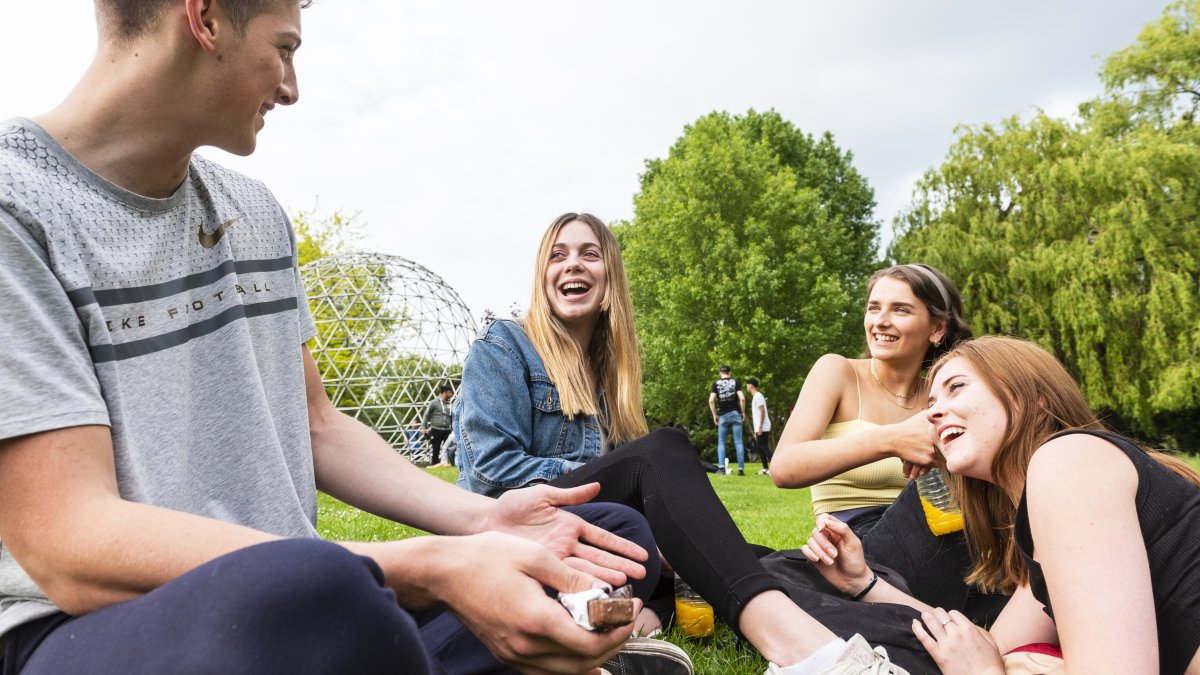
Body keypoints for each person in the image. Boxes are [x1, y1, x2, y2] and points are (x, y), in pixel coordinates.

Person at [0, 4, 665, 674]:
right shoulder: (17, 207)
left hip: (300, 593)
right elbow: (70, 546)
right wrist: (431, 566)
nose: (291, 86)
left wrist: (481, 523)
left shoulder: (254, 213)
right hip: (88, 627)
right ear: (203, 19)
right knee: (325, 597)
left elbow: (316, 422)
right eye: (283, 48)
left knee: (604, 541)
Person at [457, 212, 927, 675]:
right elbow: (488, 470)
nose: (573, 264)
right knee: (660, 452)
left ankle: (903, 639)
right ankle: (800, 651)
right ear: (543, 274)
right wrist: (629, 489)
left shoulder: (609, 375)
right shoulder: (504, 344)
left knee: (746, 558)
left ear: (610, 277)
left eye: (590, 254)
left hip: (594, 536)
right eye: (557, 255)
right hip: (512, 530)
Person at [799, 336, 1200, 675]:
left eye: (956, 388)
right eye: (931, 399)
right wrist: (864, 583)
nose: (933, 412)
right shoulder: (1049, 514)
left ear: (1035, 398)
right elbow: (981, 645)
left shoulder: (1069, 460)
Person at [768, 264, 1006, 622]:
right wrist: (891, 439)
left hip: (947, 539)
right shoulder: (838, 372)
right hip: (856, 546)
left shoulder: (944, 395)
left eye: (900, 309)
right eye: (873, 307)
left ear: (938, 328)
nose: (880, 321)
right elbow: (784, 468)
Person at [709, 365, 747, 475]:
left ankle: (721, 468)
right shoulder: (736, 382)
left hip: (723, 416)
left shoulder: (716, 384)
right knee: (739, 442)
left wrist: (714, 414)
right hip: (735, 414)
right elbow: (742, 398)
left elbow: (711, 400)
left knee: (721, 442)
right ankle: (740, 470)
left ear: (720, 373)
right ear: (729, 373)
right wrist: (743, 412)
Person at [423, 385, 455, 467]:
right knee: (436, 449)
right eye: (450, 392)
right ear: (445, 392)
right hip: (436, 429)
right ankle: (435, 465)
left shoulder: (449, 404)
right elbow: (426, 415)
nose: (451, 394)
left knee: (449, 448)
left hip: (447, 430)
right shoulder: (434, 403)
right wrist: (424, 427)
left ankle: (448, 464)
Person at [746, 378, 773, 475]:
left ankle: (775, 468)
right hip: (759, 427)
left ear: (751, 386)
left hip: (763, 427)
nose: (746, 387)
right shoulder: (756, 397)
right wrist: (756, 429)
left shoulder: (758, 396)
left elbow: (762, 411)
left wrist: (760, 426)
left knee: (764, 448)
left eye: (747, 385)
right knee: (759, 448)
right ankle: (765, 468)